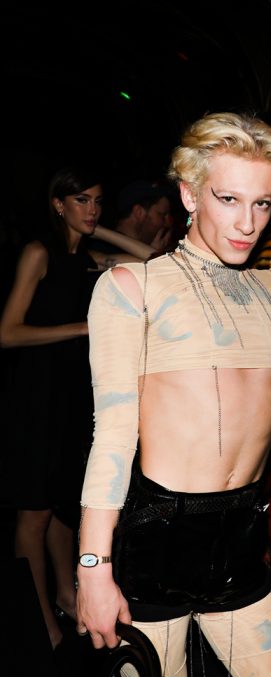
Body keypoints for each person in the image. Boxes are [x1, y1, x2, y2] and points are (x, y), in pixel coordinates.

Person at [75, 112, 271, 677]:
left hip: (242, 540)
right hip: (155, 541)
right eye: (229, 199)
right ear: (190, 194)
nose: (247, 222)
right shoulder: (132, 288)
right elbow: (112, 436)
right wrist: (93, 567)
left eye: (262, 203)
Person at [0, 165, 156, 652]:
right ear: (58, 204)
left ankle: (66, 598)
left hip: (71, 396)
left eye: (98, 201)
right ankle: (40, 620)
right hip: (34, 396)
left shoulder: (88, 257)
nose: (93, 209)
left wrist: (93, 227)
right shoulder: (38, 252)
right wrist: (82, 328)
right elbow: (8, 332)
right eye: (81, 201)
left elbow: (150, 258)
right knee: (34, 514)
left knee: (65, 508)